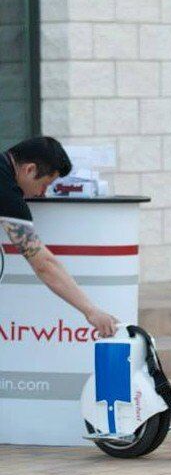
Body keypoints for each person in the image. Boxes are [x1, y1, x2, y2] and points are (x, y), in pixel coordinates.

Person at [0, 136, 118, 337]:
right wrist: (91, 311)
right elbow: (44, 265)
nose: (42, 193)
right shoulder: (7, 194)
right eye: (45, 184)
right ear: (29, 170)